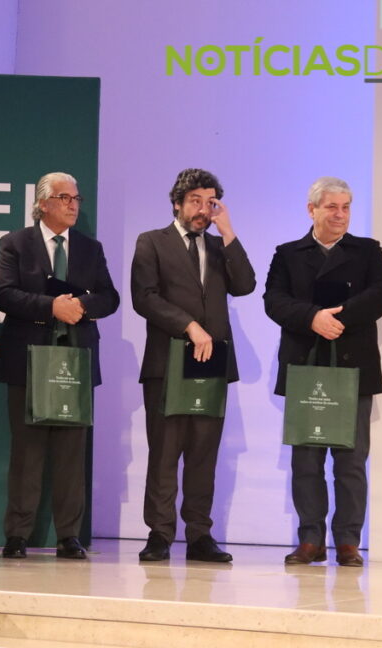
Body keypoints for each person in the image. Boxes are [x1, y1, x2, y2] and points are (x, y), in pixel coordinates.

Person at [263, 176, 382, 567]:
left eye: (346, 207)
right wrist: (311, 318)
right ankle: (310, 539)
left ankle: (349, 542)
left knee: (351, 462)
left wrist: (337, 318)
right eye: (332, 207)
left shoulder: (368, 251)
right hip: (306, 367)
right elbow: (273, 301)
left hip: (352, 368)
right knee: (306, 461)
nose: (340, 215)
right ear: (312, 209)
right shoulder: (288, 254)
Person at [131, 168, 256, 563]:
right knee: (165, 452)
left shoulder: (219, 246)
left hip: (210, 362)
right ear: (177, 204)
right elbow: (144, 297)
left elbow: (246, 285)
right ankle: (159, 534)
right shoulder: (152, 241)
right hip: (168, 360)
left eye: (210, 202)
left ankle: (200, 534)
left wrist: (228, 231)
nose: (203, 210)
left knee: (204, 454)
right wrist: (189, 326)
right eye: (195, 202)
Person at [0, 171, 119, 560]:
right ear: (43, 203)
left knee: (70, 454)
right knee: (27, 453)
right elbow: (4, 295)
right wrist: (51, 306)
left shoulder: (90, 249)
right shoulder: (16, 243)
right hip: (28, 360)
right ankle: (18, 535)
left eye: (76, 198)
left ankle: (69, 536)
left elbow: (110, 297)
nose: (72, 205)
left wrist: (79, 306)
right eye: (64, 198)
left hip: (74, 361)